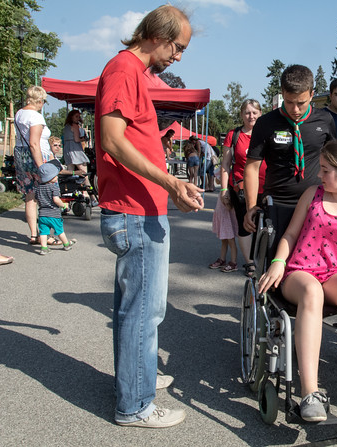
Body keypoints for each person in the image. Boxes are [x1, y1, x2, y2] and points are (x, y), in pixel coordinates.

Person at [95, 5, 203, 429]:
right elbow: (112, 141)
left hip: (140, 209)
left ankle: (135, 380)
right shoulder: (124, 70)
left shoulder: (133, 73)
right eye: (178, 46)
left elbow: (131, 142)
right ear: (157, 35)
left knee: (138, 308)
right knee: (142, 311)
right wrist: (171, 182)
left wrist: (169, 187)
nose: (179, 56)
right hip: (133, 214)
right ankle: (134, 405)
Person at [257, 140, 337, 421]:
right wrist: (278, 262)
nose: (319, 174)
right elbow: (291, 234)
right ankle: (309, 393)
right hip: (301, 270)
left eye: (326, 170)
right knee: (312, 293)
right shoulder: (312, 196)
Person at [243, 64, 335, 247]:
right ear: (283, 93)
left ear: (311, 94)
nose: (295, 109)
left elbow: (336, 162)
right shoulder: (265, 123)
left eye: (301, 103)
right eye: (289, 101)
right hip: (276, 205)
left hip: (315, 205)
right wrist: (251, 207)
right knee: (274, 267)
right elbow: (252, 168)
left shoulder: (325, 121)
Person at [213, 99, 265, 277]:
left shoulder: (267, 133)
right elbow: (225, 164)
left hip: (267, 187)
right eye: (247, 112)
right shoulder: (234, 135)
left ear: (260, 113)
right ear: (242, 115)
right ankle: (250, 263)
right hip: (242, 188)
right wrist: (223, 189)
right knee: (245, 226)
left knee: (264, 226)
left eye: (254, 112)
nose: (251, 116)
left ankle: (263, 261)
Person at [13, 85, 58, 246]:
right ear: (39, 100)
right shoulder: (36, 116)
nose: (43, 104)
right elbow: (34, 143)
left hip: (20, 155)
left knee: (30, 196)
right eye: (44, 101)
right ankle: (46, 236)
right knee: (47, 197)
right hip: (37, 157)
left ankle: (34, 234)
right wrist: (42, 167)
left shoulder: (19, 113)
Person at [35, 160, 76, 255]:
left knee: (43, 232)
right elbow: (56, 199)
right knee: (60, 230)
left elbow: (37, 199)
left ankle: (44, 248)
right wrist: (63, 205)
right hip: (53, 214)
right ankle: (66, 244)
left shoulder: (38, 188)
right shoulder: (53, 187)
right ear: (50, 177)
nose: (57, 177)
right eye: (55, 176)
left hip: (42, 214)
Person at [63, 109, 94, 204]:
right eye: (76, 116)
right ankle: (91, 196)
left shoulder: (66, 127)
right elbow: (76, 139)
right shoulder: (75, 126)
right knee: (84, 174)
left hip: (67, 150)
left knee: (70, 173)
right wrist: (83, 139)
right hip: (75, 149)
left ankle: (68, 195)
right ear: (72, 117)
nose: (78, 118)